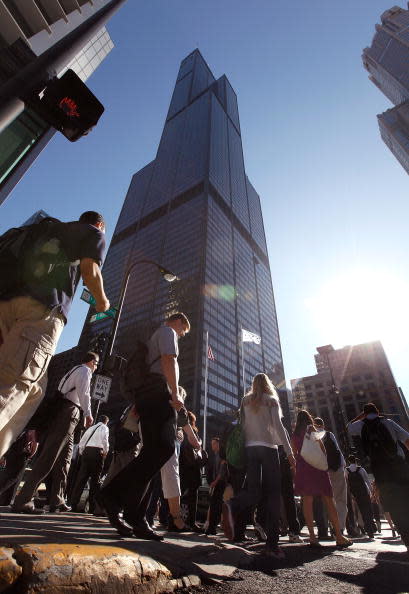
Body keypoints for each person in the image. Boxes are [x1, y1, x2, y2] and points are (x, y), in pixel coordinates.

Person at [0, 211, 109, 459]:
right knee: (16, 384)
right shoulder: (94, 234)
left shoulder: (50, 229)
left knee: (35, 391)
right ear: (100, 224)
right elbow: (90, 270)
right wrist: (103, 302)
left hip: (7, 306)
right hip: (39, 312)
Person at [100, 312, 190, 540]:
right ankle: (113, 496)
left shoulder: (154, 335)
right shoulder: (168, 331)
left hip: (147, 395)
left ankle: (135, 515)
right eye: (183, 331)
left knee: (153, 453)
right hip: (160, 394)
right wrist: (175, 393)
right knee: (165, 448)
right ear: (178, 322)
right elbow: (168, 359)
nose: (181, 335)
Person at [12, 352, 99, 513]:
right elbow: (84, 392)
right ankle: (23, 500)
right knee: (49, 457)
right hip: (69, 413)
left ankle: (57, 499)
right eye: (96, 363)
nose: (96, 366)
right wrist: (88, 413)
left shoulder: (73, 370)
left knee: (64, 461)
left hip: (63, 413)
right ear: (91, 361)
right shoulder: (85, 371)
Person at [222, 373, 296, 559]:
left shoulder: (245, 401)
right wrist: (289, 452)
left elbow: (243, 426)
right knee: (273, 495)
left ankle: (232, 504)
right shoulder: (271, 400)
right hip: (269, 449)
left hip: (250, 450)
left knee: (254, 491)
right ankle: (272, 545)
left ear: (253, 384)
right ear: (268, 384)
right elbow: (278, 426)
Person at [348, 402, 409, 552]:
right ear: (377, 411)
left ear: (364, 413)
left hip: (380, 469)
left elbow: (348, 427)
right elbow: (407, 440)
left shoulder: (360, 425)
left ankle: (406, 537)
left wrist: (361, 416)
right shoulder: (388, 422)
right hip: (399, 466)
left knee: (392, 503)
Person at [291, 410, 352, 548]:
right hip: (317, 467)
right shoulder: (311, 429)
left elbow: (294, 454)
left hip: (303, 468)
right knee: (329, 500)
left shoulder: (294, 435)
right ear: (308, 419)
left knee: (307, 501)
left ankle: (312, 537)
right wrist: (322, 461)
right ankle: (339, 535)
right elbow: (322, 448)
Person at [314, 417, 348, 535]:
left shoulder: (311, 437)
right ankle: (340, 527)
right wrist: (344, 468)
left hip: (322, 471)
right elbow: (338, 451)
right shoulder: (329, 434)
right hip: (336, 469)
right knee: (340, 499)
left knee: (326, 501)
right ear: (323, 425)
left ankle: (327, 526)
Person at [70, 415, 110, 513]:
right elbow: (105, 440)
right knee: (95, 480)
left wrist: (82, 452)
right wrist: (105, 451)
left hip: (87, 451)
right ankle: (92, 507)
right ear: (106, 421)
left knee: (81, 479)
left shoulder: (91, 428)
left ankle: (73, 504)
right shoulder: (104, 427)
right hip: (97, 453)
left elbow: (82, 442)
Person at [180, 411, 205, 532]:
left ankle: (174, 519)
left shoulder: (180, 430)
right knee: (192, 497)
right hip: (192, 468)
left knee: (180, 493)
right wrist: (199, 444)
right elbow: (197, 446)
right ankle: (191, 522)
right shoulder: (192, 431)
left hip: (183, 467)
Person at [345, 454, 375, 539]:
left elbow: (346, 483)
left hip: (353, 495)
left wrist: (349, 494)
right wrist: (370, 493)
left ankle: (355, 529)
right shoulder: (361, 469)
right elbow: (367, 482)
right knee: (366, 511)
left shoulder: (346, 470)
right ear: (356, 460)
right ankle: (370, 530)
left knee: (354, 512)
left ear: (348, 461)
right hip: (363, 493)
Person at [205, 437, 227, 535]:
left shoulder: (222, 455)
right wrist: (211, 482)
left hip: (221, 484)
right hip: (214, 484)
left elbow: (222, 470)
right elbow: (210, 470)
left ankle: (212, 527)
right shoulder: (213, 456)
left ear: (218, 444)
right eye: (211, 444)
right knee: (214, 506)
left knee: (216, 506)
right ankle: (211, 527)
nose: (212, 445)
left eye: (214, 443)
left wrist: (215, 481)